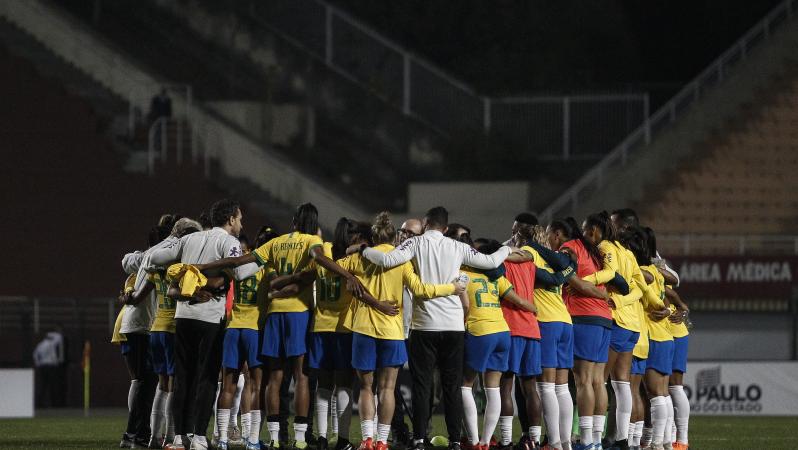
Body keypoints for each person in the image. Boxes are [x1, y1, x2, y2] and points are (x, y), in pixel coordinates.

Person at [194, 203, 367, 450]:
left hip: (273, 316)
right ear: (314, 223)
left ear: (294, 220)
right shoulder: (312, 241)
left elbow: (242, 260)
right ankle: (299, 439)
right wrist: (348, 275)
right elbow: (320, 258)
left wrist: (204, 267)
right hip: (299, 313)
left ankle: (274, 438)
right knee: (301, 377)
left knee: (274, 378)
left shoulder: (277, 243)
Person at [356, 206, 513, 450]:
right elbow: (492, 261)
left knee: (422, 386)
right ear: (446, 228)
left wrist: (365, 250)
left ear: (426, 224)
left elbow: (387, 260)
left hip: (424, 325)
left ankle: (419, 438)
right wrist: (508, 247)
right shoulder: (458, 247)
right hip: (453, 327)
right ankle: (454, 440)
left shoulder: (415, 244)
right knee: (452, 386)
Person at [340, 212, 462, 450]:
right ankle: (383, 441)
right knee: (387, 389)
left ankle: (367, 439)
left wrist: (353, 256)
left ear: (373, 237)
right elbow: (421, 290)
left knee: (367, 387)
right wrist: (451, 287)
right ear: (395, 235)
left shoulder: (360, 257)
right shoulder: (402, 261)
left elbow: (332, 266)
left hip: (363, 327)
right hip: (392, 330)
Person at [148, 199, 258, 450]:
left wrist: (185, 279)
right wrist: (260, 260)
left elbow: (155, 258)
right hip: (210, 318)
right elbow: (239, 273)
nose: (241, 224)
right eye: (239, 219)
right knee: (207, 378)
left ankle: (178, 437)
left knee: (183, 377)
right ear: (230, 219)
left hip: (183, 316)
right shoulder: (228, 242)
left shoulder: (190, 240)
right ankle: (198, 436)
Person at [546, 218, 617, 450]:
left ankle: (586, 441)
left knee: (583, 381)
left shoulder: (570, 249)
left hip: (583, 316)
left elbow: (574, 281)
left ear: (558, 234)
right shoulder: (594, 251)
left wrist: (599, 295)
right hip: (604, 319)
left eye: (549, 234)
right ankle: (596, 440)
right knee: (598, 381)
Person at [459, 239, 536, 450]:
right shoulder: (495, 276)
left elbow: (464, 304)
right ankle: (485, 442)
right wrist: (535, 309)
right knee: (493, 389)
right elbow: (518, 301)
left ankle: (474, 441)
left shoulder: (463, 273)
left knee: (464, 386)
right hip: (503, 332)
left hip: (480, 331)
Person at [581, 212, 643, 450]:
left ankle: (595, 439)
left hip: (615, 321)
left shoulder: (607, 246)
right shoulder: (628, 252)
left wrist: (586, 279)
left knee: (598, 380)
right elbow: (639, 288)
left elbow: (609, 274)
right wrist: (626, 302)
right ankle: (623, 439)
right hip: (632, 325)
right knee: (621, 384)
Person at [309, 218, 370, 450]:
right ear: (352, 236)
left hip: (320, 326)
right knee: (344, 385)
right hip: (344, 327)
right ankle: (342, 440)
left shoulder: (322, 249)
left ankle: (323, 438)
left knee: (323, 386)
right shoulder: (352, 259)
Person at [391, 218, 423, 448]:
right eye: (402, 231)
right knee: (391, 386)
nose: (404, 236)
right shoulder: (391, 257)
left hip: (420, 329)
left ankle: (422, 429)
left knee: (422, 384)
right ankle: (399, 430)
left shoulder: (424, 261)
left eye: (410, 233)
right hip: (394, 329)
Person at [32, 328, 66, 408]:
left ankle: (39, 404)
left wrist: (38, 364)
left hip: (42, 367)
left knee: (43, 386)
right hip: (51, 367)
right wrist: (55, 333)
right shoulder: (51, 343)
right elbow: (59, 337)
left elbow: (34, 354)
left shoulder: (40, 344)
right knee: (53, 386)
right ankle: (54, 404)